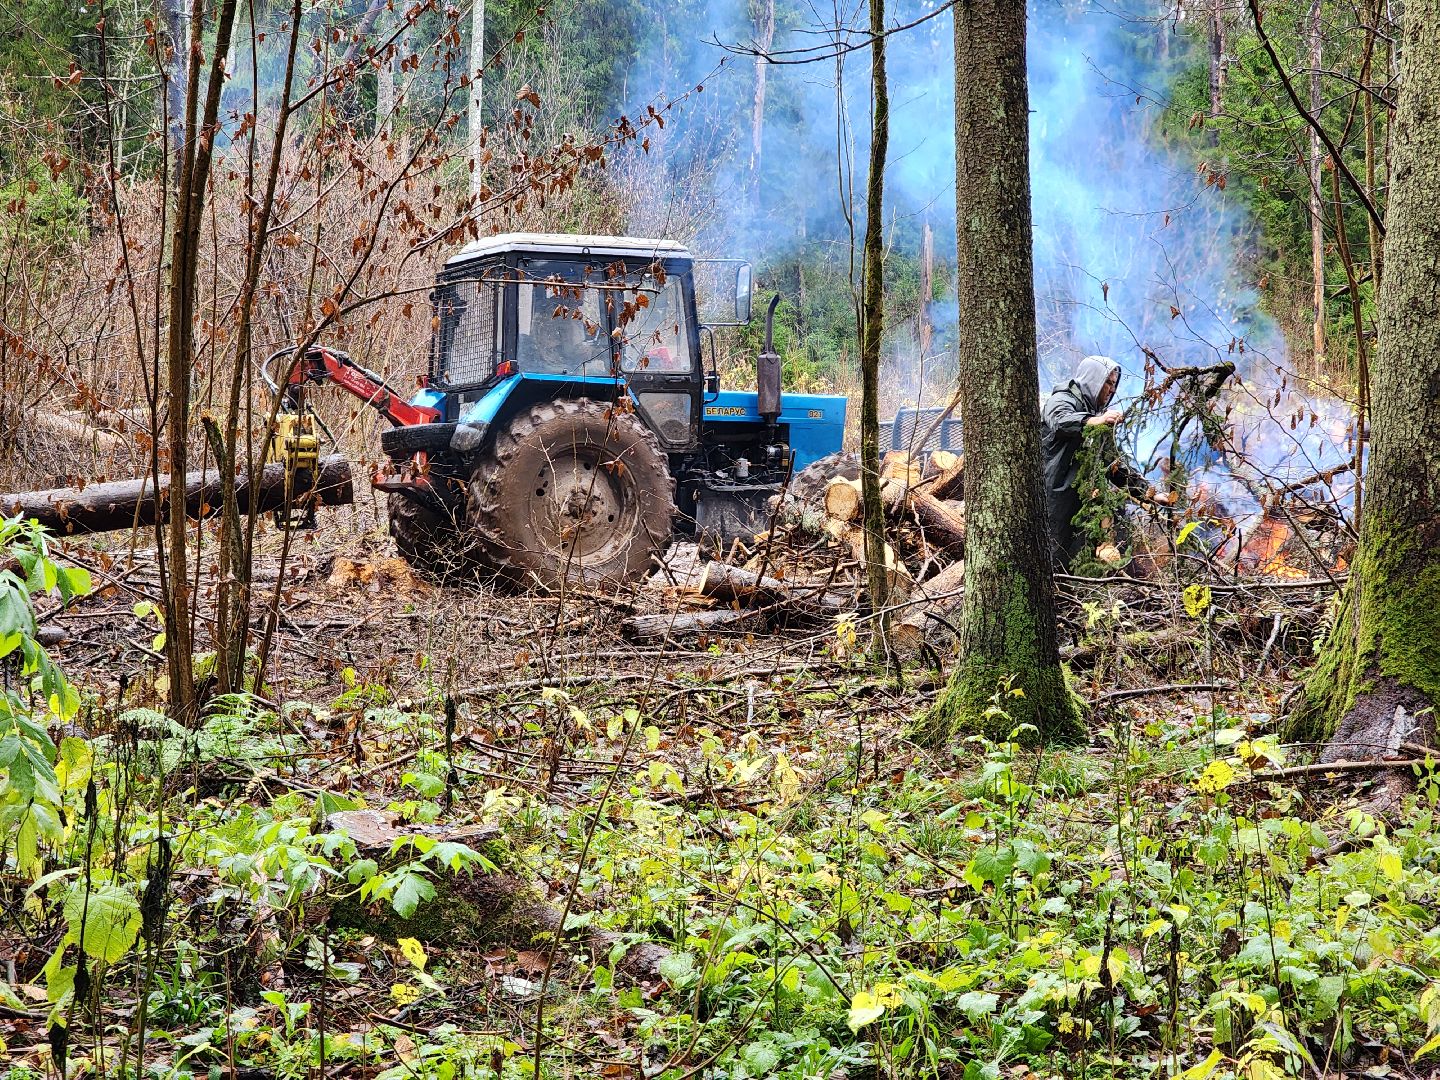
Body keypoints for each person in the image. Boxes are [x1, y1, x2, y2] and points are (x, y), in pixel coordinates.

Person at [1040, 355, 1165, 569]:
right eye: (1107, 382)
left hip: (1078, 500)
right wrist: (1092, 421)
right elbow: (1060, 421)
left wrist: (1148, 492)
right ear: (1093, 379)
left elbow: (1113, 465)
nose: (1111, 390)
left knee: (1079, 558)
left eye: (1114, 385)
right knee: (1053, 557)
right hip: (1052, 496)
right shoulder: (1063, 399)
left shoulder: (1095, 414)